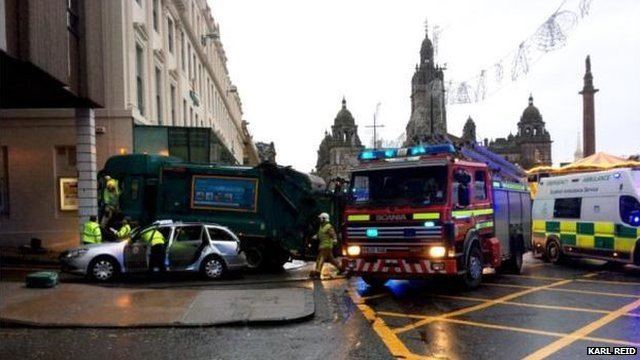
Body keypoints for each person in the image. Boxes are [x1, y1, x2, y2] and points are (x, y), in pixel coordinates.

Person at [310, 212, 343, 279]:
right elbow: (320, 234)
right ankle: (341, 268)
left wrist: (335, 240)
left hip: (326, 246)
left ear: (323, 219)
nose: (319, 220)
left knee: (320, 258)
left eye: (320, 218)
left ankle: (318, 272)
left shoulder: (328, 227)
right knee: (331, 260)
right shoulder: (321, 226)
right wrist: (315, 236)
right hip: (323, 245)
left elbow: (333, 234)